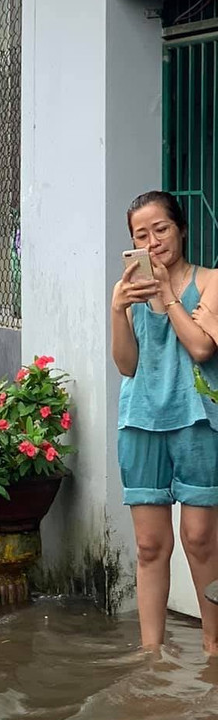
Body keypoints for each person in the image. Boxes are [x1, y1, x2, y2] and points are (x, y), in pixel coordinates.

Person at [111, 189, 218, 653]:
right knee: (151, 547)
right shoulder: (130, 294)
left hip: (197, 421)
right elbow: (126, 365)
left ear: (181, 230)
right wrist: (118, 308)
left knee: (200, 540)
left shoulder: (211, 282)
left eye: (161, 229)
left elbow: (201, 347)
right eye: (141, 234)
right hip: (141, 422)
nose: (153, 241)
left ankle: (214, 646)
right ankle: (149, 658)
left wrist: (169, 294)